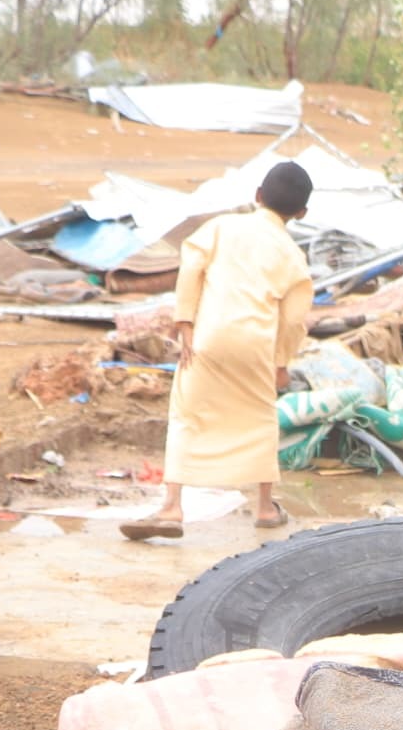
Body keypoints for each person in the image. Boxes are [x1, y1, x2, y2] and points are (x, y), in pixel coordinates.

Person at [121, 161, 314, 539]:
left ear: (257, 196)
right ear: (302, 213)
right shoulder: (293, 256)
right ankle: (263, 507)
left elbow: (191, 269)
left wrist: (185, 323)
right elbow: (292, 320)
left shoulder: (222, 228)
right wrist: (281, 362)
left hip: (207, 338)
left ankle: (172, 507)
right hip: (255, 344)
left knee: (187, 414)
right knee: (260, 418)